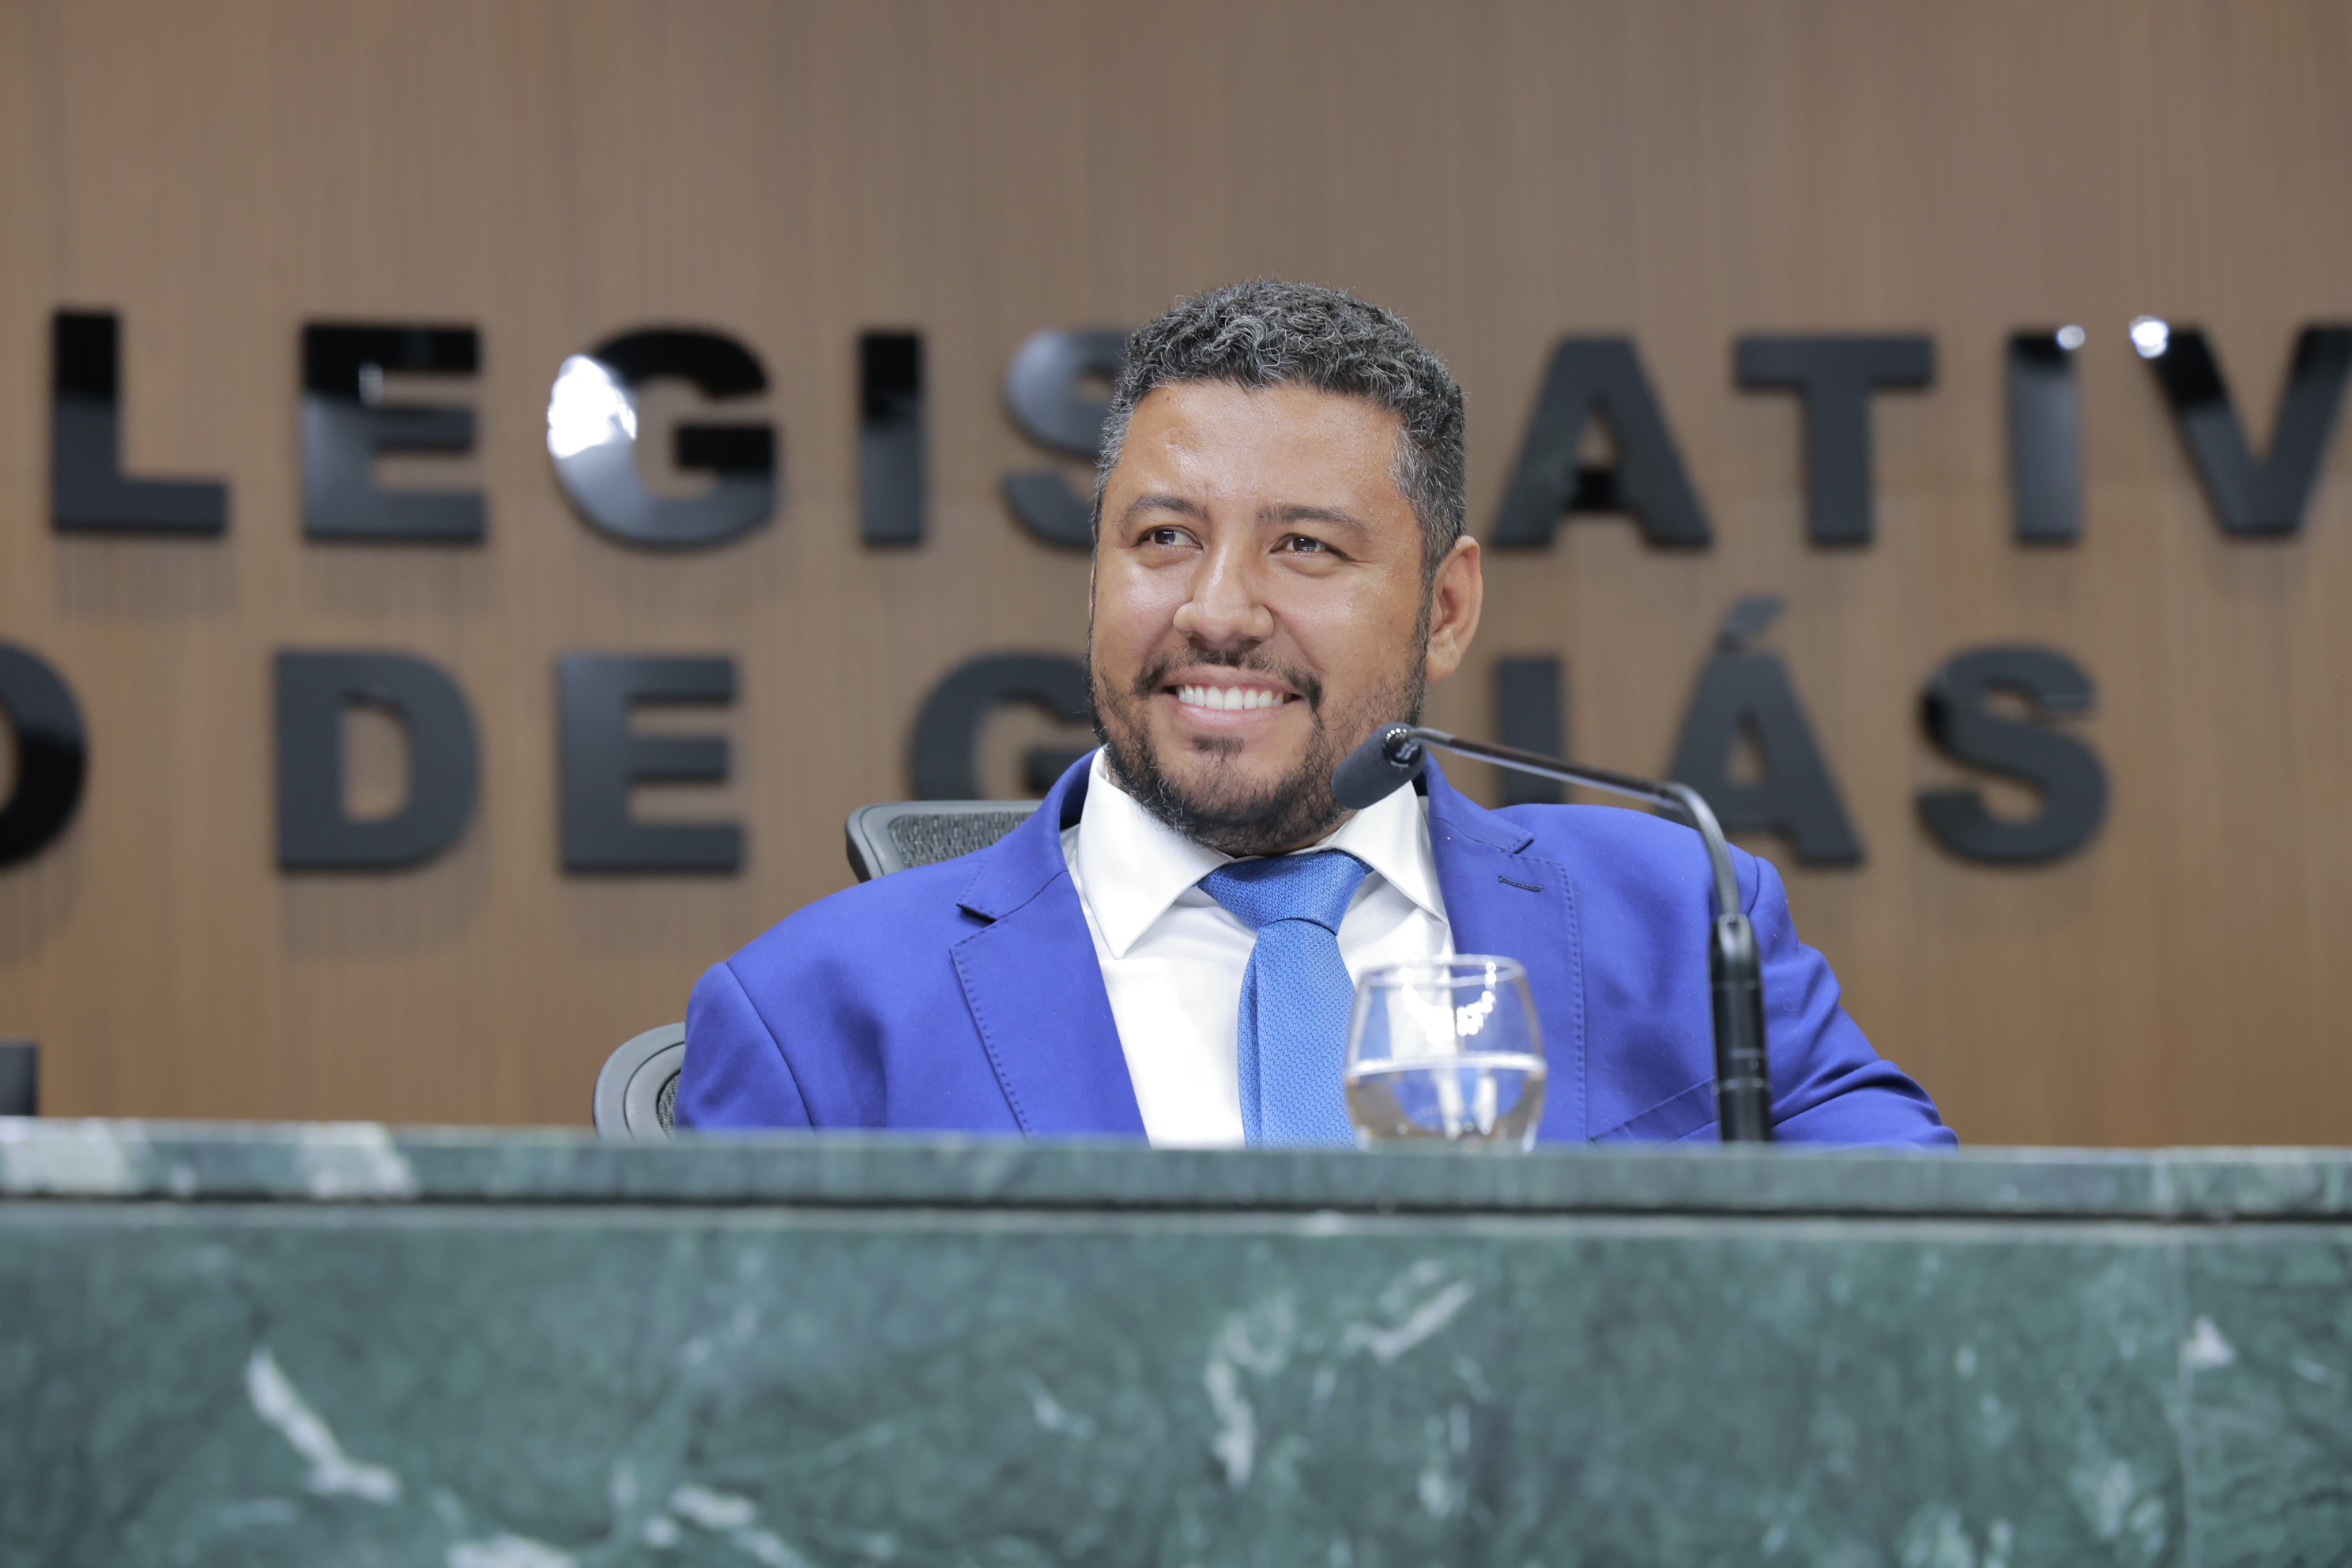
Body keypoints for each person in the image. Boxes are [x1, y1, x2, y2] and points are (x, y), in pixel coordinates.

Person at [680, 279, 1951, 1147]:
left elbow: (1934, 1284)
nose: (1217, 611)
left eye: (1305, 547)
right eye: (1164, 538)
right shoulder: (813, 1013)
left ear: (1445, 609)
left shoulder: (1683, 924)